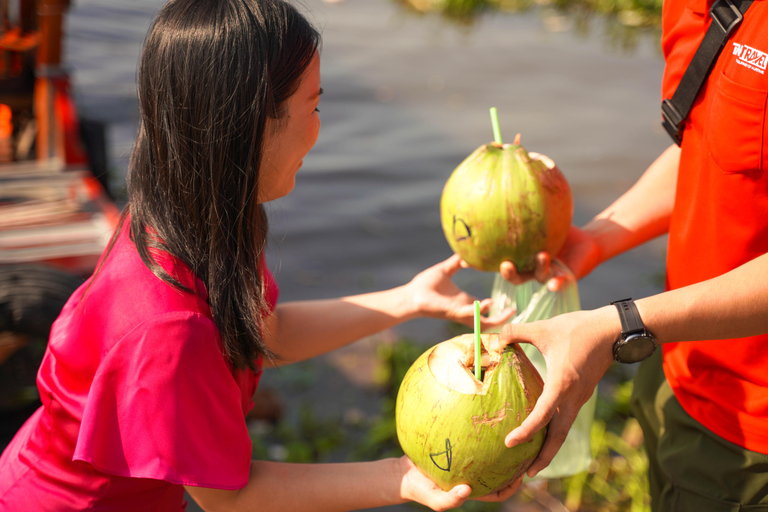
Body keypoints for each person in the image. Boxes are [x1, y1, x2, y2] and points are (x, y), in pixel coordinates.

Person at [0, 0, 521, 510]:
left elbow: (266, 335)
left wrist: (409, 299)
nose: (319, 127)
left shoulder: (190, 221)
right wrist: (402, 477)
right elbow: (231, 496)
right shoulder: (170, 328)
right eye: (313, 106)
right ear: (247, 126)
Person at [495, 0, 768, 510]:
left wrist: (623, 325)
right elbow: (711, 148)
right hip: (677, 369)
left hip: (752, 434)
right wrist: (595, 239)